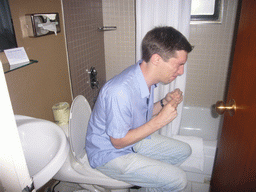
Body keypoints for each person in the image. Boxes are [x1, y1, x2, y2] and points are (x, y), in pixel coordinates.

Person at [86, 26, 193, 192]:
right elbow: (118, 142)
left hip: (130, 138)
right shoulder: (120, 91)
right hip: (109, 153)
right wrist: (159, 122)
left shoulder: (143, 78)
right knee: (179, 180)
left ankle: (152, 182)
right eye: (179, 64)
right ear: (157, 59)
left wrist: (164, 102)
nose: (181, 71)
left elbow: (137, 115)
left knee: (184, 151)